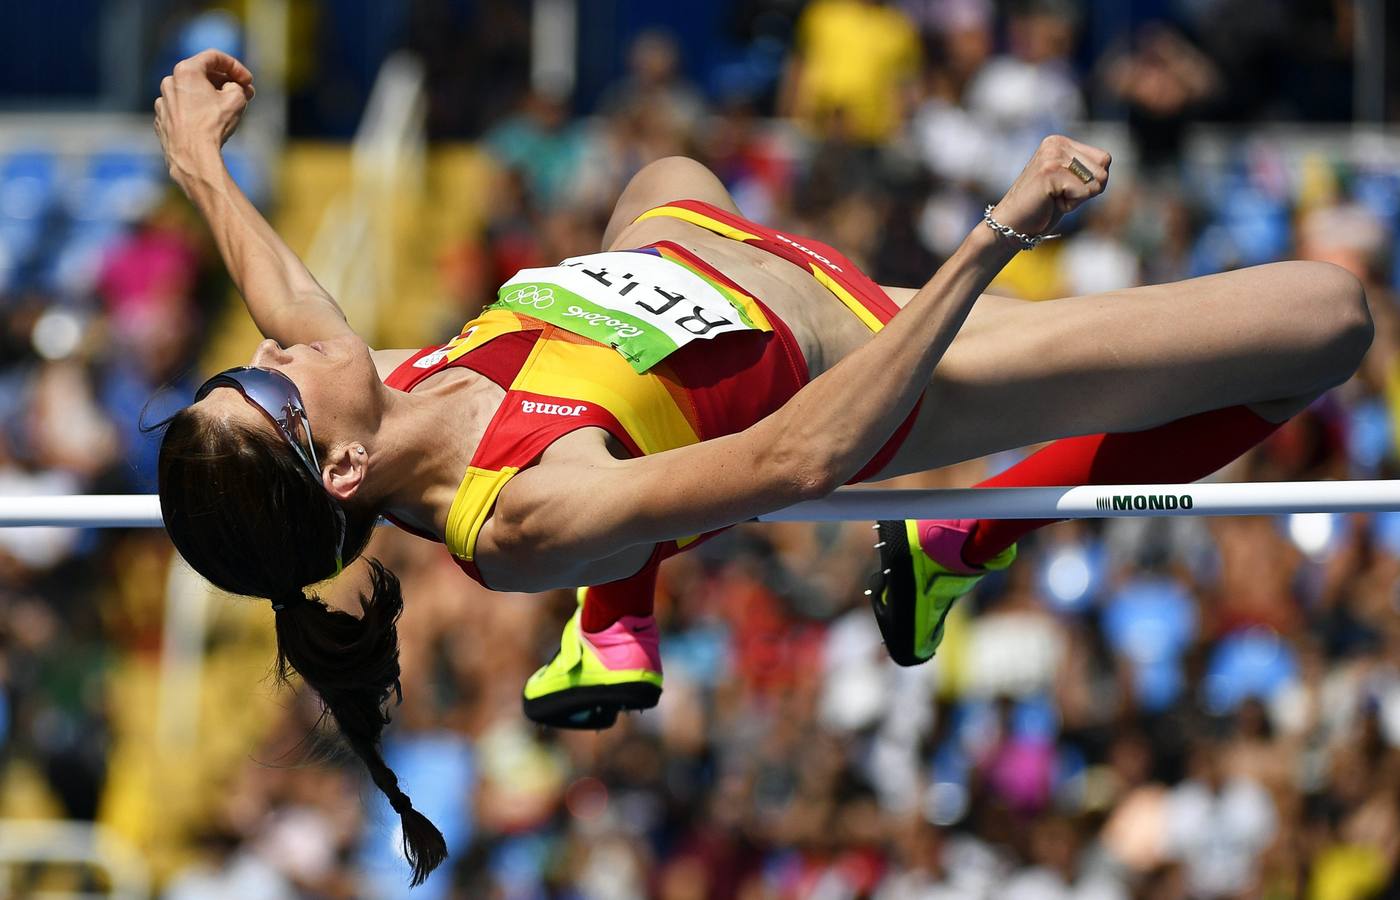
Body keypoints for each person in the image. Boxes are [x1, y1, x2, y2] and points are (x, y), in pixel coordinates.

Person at [150, 51, 1371, 883]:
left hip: (715, 248)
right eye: (265, 384)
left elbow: (278, 289)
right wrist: (996, 236)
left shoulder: (371, 382)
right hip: (879, 354)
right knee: (1320, 321)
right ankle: (966, 534)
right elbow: (805, 452)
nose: (266, 346)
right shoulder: (519, 511)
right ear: (345, 469)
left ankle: (619, 603)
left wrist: (201, 152)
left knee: (666, 178)